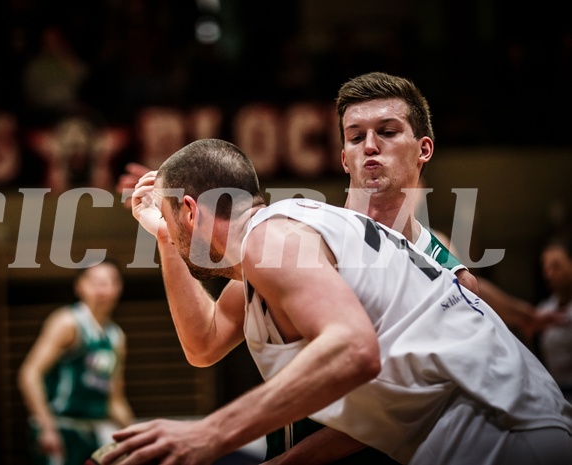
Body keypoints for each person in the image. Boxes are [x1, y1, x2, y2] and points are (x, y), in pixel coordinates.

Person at [96, 138, 572, 465]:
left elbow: (353, 350)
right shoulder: (278, 246)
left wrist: (209, 433)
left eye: (168, 215)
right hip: (498, 432)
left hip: (505, 435)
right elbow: (202, 345)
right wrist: (165, 237)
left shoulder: (271, 240)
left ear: (191, 209)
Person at [18, 259, 135, 465]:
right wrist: (46, 427)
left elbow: (114, 400)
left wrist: (137, 433)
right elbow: (29, 373)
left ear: (119, 288)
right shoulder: (68, 321)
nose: (103, 288)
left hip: (92, 432)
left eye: (110, 281)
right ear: (79, 287)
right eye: (96, 281)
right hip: (59, 428)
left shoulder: (116, 337)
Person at [534, 233, 572, 402]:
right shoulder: (543, 310)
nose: (548, 274)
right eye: (545, 267)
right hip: (557, 395)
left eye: (556, 266)